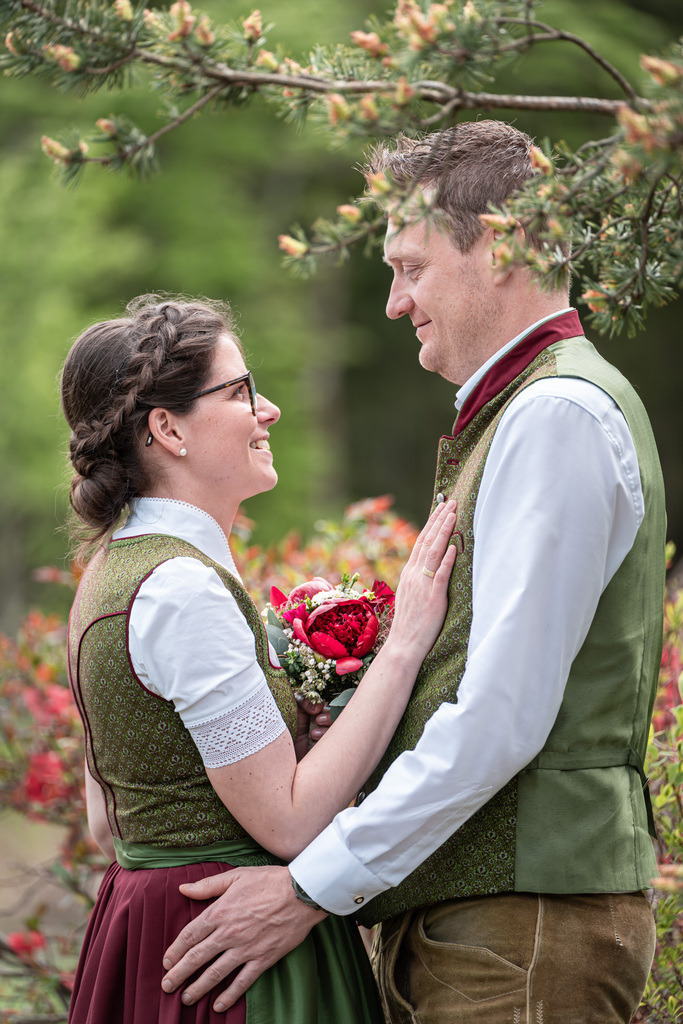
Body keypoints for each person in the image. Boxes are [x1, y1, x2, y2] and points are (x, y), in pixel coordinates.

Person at [160, 121, 666, 1024]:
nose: (394, 302)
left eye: (411, 267)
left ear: (505, 249)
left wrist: (310, 887)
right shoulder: (524, 410)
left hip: (526, 928)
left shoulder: (555, 414)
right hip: (489, 923)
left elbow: (503, 717)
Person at [61, 293, 459, 1024]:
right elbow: (289, 824)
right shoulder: (181, 588)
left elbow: (107, 820)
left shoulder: (111, 575)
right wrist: (403, 646)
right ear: (168, 428)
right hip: (236, 958)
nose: (267, 410)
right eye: (240, 391)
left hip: (153, 929)